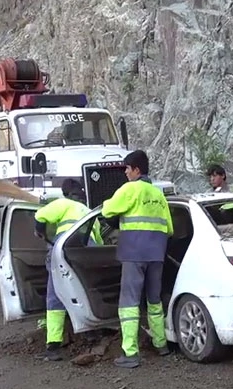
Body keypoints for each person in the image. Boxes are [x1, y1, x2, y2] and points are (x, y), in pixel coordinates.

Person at [101, 150, 174, 369]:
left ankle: (130, 352)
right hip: (156, 255)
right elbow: (169, 229)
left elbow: (107, 210)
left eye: (127, 168)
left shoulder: (130, 189)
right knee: (154, 301)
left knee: (129, 303)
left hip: (133, 253)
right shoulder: (159, 195)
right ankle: (161, 345)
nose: (125, 172)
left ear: (136, 170)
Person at [33, 179, 102, 362]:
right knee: (83, 294)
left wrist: (39, 232)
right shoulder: (89, 212)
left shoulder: (63, 204)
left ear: (65, 193)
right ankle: (91, 333)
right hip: (86, 257)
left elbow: (40, 215)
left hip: (64, 254)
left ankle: (53, 346)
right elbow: (100, 242)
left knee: (55, 297)